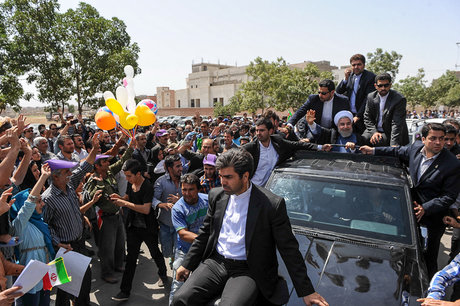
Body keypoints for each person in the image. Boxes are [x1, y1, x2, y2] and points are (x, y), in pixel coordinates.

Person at [171, 149, 328, 306]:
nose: (223, 181)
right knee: (180, 299)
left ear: (245, 176)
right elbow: (205, 233)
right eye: (221, 176)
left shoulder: (271, 205)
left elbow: (289, 249)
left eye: (228, 177)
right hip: (216, 263)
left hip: (247, 269)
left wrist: (306, 290)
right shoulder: (216, 196)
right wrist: (187, 263)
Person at [360, 123, 460, 278]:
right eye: (433, 138)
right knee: (404, 253)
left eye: (441, 139)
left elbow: (449, 196)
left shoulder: (452, 164)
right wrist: (372, 150)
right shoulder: (415, 149)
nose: (439, 142)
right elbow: (396, 151)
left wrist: (425, 208)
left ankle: (428, 291)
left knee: (428, 257)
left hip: (433, 219)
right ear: (424, 139)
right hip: (408, 212)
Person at [42, 133, 100, 306]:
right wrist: (58, 242)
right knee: (64, 287)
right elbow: (45, 225)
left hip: (79, 243)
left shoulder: (69, 183)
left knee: (84, 281)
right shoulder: (48, 198)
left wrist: (95, 149)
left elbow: (85, 167)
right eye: (66, 171)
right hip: (63, 249)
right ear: (55, 176)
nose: (70, 174)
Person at [110, 159, 167, 302]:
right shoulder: (131, 184)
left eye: (129, 176)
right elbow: (128, 198)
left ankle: (163, 273)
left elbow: (146, 209)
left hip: (147, 228)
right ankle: (124, 291)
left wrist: (125, 203)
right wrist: (120, 198)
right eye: (126, 176)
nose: (127, 179)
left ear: (138, 173)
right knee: (131, 259)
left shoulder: (147, 186)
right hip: (133, 227)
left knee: (155, 252)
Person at [83, 138, 134, 284]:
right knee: (107, 248)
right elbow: (94, 198)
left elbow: (122, 161)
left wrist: (130, 147)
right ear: (97, 166)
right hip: (104, 218)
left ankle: (118, 265)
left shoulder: (110, 172)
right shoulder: (93, 180)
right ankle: (107, 273)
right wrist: (99, 185)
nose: (108, 163)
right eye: (104, 162)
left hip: (117, 214)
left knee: (119, 243)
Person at [10, 164, 54, 306]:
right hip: (28, 280)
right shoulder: (20, 224)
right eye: (39, 201)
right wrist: (43, 177)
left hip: (44, 277)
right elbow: (29, 203)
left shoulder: (40, 223)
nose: (43, 204)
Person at [169, 174, 209, 305]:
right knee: (177, 285)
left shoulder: (207, 200)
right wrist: (207, 239)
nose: (186, 193)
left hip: (205, 250)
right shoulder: (178, 208)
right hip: (185, 251)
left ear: (198, 189)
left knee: (203, 285)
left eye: (191, 189)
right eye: (184, 189)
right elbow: (183, 234)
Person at [243, 118, 318, 187]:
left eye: (262, 130)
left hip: (271, 188)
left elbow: (297, 145)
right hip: (252, 189)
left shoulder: (277, 141)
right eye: (257, 130)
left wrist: (319, 147)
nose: (258, 133)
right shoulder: (250, 148)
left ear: (270, 131)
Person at [362, 73, 409, 146]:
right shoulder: (370, 97)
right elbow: (367, 117)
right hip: (375, 130)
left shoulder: (399, 99)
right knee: (361, 140)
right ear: (375, 86)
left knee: (378, 142)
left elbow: (396, 124)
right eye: (380, 86)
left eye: (386, 85)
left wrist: (394, 146)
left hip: (390, 133)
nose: (383, 88)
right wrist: (374, 132)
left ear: (390, 85)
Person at [152, 154, 183, 269]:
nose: (181, 168)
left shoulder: (185, 180)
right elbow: (153, 199)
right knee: (167, 251)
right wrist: (161, 204)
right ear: (170, 169)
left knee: (179, 251)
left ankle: (176, 270)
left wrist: (180, 200)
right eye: (177, 166)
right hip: (165, 223)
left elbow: (193, 198)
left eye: (181, 165)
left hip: (181, 224)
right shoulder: (161, 182)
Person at [336, 54, 376, 133]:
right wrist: (345, 79)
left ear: (364, 65)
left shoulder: (370, 77)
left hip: (364, 116)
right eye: (353, 65)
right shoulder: (350, 76)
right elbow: (338, 91)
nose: (356, 67)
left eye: (359, 64)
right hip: (350, 115)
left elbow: (368, 99)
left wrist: (358, 115)